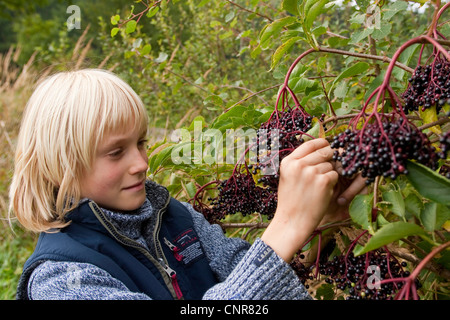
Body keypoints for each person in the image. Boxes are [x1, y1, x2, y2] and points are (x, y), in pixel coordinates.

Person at [9, 69, 366, 300]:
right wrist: (286, 226)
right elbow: (265, 265)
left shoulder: (177, 218)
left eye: (141, 143)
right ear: (60, 165)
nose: (141, 163)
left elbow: (253, 278)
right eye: (116, 152)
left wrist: (318, 221)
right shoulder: (61, 278)